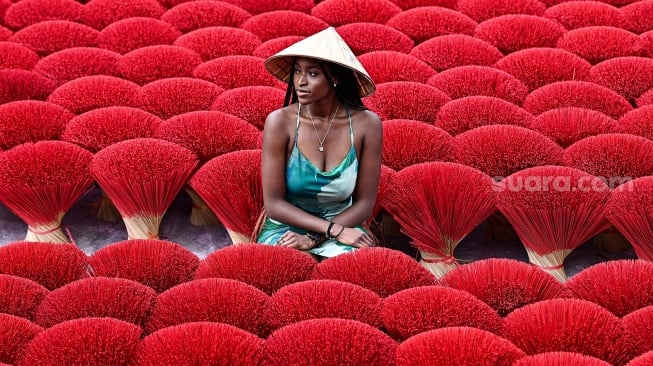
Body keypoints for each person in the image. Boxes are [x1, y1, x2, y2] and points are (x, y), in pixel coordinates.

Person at [256, 27, 382, 258]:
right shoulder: (280, 122)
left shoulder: (367, 124)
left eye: (313, 74)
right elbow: (273, 203)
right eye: (296, 71)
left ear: (334, 78)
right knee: (296, 262)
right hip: (287, 229)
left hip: (343, 226)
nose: (300, 82)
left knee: (354, 266)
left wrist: (321, 236)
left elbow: (365, 203)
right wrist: (329, 231)